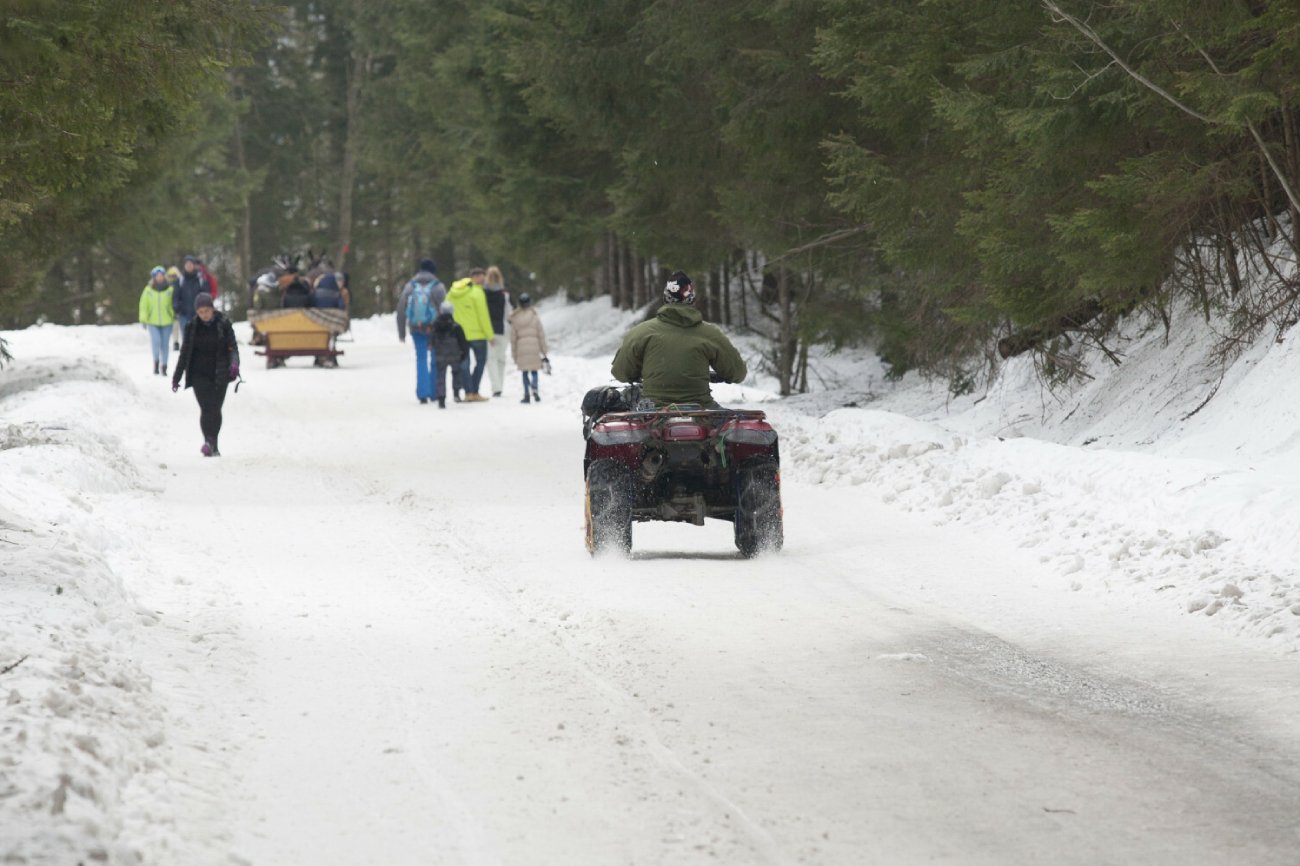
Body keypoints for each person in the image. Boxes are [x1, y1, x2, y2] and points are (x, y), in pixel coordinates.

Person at [611, 271, 746, 409]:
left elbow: (620, 373)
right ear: (692, 298)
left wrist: (639, 373)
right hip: (701, 410)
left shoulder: (640, 332)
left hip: (653, 411)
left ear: (666, 297)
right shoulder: (711, 334)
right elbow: (738, 373)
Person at [172, 293, 240, 457]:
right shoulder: (192, 326)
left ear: (212, 309)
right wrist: (177, 376)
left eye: (207, 311)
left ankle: (213, 442)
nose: (204, 315)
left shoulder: (223, 324)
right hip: (199, 374)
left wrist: (234, 364)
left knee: (215, 409)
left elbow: (233, 347)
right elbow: (185, 353)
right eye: (201, 312)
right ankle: (208, 441)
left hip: (220, 373)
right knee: (206, 408)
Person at [399, 259, 446, 404]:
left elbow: (401, 308)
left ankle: (422, 394)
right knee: (434, 360)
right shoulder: (438, 287)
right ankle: (435, 393)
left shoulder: (410, 286)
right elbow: (444, 309)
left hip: (416, 327)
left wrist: (401, 332)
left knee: (421, 359)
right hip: (434, 328)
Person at [446, 268, 494, 402]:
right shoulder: (477, 292)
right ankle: (474, 390)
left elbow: (446, 311)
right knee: (480, 362)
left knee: (464, 364)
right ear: (476, 277)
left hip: (459, 335)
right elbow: (483, 316)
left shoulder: (452, 293)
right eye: (482, 277)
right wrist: (489, 335)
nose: (483, 280)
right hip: (477, 334)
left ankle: (468, 392)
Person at [509, 292, 549, 404]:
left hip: (521, 347)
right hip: (534, 346)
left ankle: (526, 394)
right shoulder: (534, 316)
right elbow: (541, 334)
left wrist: (514, 354)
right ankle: (535, 388)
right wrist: (544, 350)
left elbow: (513, 338)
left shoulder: (515, 318)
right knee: (534, 370)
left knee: (524, 372)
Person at [431, 301, 470, 408]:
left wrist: (434, 349)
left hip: (440, 355)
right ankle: (456, 394)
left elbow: (432, 341)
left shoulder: (436, 326)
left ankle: (441, 398)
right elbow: (463, 342)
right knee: (456, 373)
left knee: (441, 376)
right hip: (455, 355)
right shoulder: (456, 327)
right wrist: (464, 353)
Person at [138, 266, 175, 376]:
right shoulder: (148, 290)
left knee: (165, 344)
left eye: (161, 276)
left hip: (167, 321)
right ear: (153, 277)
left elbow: (174, 304)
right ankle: (156, 362)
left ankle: (164, 365)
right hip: (152, 321)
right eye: (157, 276)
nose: (159, 278)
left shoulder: (170, 290)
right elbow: (143, 305)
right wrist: (143, 319)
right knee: (156, 341)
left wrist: (174, 314)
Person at [483, 265, 512, 397]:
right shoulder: (504, 294)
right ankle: (500, 384)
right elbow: (508, 313)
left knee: (491, 359)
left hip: (489, 331)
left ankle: (496, 387)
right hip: (503, 330)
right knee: (501, 359)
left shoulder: (482, 293)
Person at [172, 255, 209, 341]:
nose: (189, 266)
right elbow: (175, 296)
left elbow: (206, 295)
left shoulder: (201, 280)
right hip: (184, 314)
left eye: (190, 264)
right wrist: (177, 307)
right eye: (187, 264)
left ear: (194, 265)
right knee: (187, 338)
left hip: (199, 314)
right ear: (184, 266)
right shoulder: (180, 281)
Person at [166, 266, 182, 349]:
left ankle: (176, 342)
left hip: (177, 309)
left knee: (176, 326)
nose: (172, 277)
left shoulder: (180, 284)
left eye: (174, 276)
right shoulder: (166, 285)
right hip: (167, 309)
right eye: (171, 276)